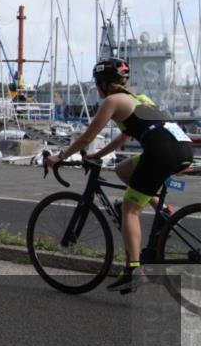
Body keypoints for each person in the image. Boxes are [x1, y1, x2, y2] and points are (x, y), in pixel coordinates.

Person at [44, 57, 193, 292]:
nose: (96, 88)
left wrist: (60, 156)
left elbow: (86, 137)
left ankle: (134, 270)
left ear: (104, 83)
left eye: (96, 83)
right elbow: (124, 137)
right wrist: (96, 156)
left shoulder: (112, 101)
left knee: (130, 210)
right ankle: (163, 210)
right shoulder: (139, 99)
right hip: (182, 147)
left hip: (161, 152)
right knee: (122, 170)